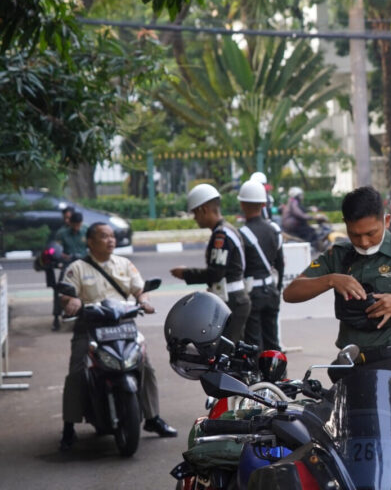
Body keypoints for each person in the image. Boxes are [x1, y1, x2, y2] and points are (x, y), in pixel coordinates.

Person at [283, 185, 391, 381]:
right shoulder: (337, 254)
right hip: (348, 365)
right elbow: (290, 293)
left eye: (371, 233)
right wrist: (331, 280)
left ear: (387, 221)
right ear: (345, 225)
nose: (364, 242)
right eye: (355, 235)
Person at [57, 222, 177, 450]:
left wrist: (144, 301)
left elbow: (140, 289)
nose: (110, 240)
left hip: (123, 325)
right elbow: (66, 294)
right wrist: (71, 301)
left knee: (146, 367)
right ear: (90, 242)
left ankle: (152, 418)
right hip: (90, 326)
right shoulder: (77, 268)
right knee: (76, 372)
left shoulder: (125, 264)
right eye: (104, 236)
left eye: (112, 236)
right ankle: (69, 427)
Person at [170, 183, 250, 344]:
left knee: (226, 352)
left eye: (195, 213)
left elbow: (216, 273)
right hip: (233, 298)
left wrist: (186, 273)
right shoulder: (225, 230)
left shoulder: (221, 235)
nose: (194, 218)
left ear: (203, 209)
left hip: (231, 300)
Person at [238, 179, 285, 351]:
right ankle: (278, 375)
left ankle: (258, 377)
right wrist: (277, 289)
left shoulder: (241, 234)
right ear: (264, 203)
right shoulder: (274, 230)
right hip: (271, 291)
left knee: (254, 343)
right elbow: (280, 265)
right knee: (273, 341)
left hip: (252, 294)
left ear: (242, 204)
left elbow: (239, 269)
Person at [50, 210, 88, 330]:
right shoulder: (62, 233)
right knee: (62, 289)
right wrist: (66, 256)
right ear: (70, 223)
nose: (77, 227)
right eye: (74, 224)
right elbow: (57, 250)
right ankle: (56, 317)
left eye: (79, 224)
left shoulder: (86, 231)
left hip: (85, 263)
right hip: (69, 265)